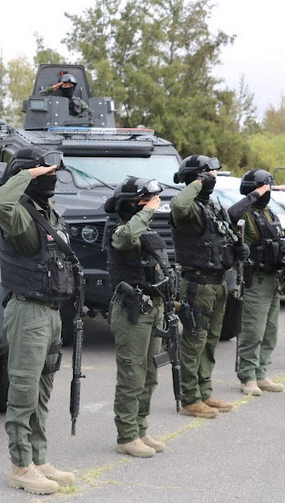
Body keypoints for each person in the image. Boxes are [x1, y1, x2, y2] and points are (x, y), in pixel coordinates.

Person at [0, 145, 77, 495]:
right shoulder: (20, 214)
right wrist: (27, 174)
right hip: (28, 311)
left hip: (52, 312)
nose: (51, 177)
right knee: (24, 390)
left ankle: (39, 459)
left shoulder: (49, 213)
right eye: (45, 172)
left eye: (53, 172)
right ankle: (21, 466)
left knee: (41, 392)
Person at [170, 155, 244, 418]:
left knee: (210, 341)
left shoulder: (210, 205)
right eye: (209, 173)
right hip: (197, 284)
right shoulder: (188, 208)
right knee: (194, 341)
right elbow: (178, 204)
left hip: (217, 282)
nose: (214, 177)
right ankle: (190, 399)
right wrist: (197, 183)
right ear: (197, 177)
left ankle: (204, 392)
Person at [104, 177, 173, 457]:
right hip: (132, 310)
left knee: (150, 373)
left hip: (154, 307)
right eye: (146, 202)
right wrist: (146, 212)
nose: (153, 206)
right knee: (132, 374)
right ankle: (126, 436)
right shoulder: (120, 231)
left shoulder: (146, 232)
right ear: (131, 205)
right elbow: (126, 237)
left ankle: (140, 429)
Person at [228, 170, 285, 396]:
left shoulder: (269, 213)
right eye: (265, 188)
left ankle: (261, 373)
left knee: (270, 331)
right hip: (255, 280)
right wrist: (255, 194)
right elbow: (231, 214)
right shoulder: (245, 213)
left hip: (273, 279)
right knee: (253, 331)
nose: (268, 192)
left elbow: (282, 243)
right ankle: (247, 377)